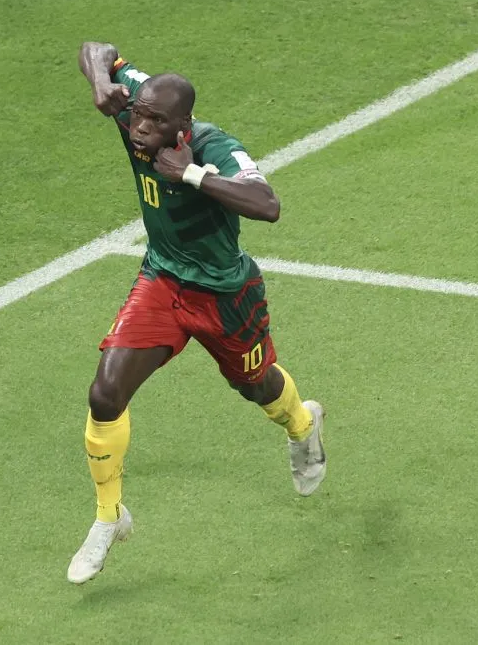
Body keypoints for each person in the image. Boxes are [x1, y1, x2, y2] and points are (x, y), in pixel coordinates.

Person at [68, 42, 326, 584]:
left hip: (225, 295)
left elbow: (268, 205)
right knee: (105, 393)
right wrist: (100, 82)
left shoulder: (215, 147)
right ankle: (109, 516)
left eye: (155, 122)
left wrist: (193, 176)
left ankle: (303, 425)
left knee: (257, 387)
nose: (140, 128)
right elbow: (97, 49)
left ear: (183, 126)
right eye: (138, 115)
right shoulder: (136, 104)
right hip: (162, 280)